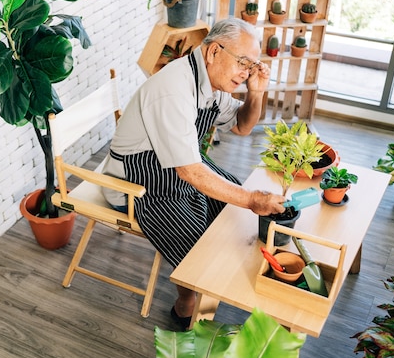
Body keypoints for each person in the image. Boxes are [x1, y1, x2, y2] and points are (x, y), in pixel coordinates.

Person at [101, 17, 286, 329]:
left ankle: (221, 277)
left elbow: (242, 126)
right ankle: (186, 302)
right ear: (214, 52)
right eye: (244, 62)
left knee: (231, 196)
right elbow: (190, 172)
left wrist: (256, 92)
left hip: (174, 167)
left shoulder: (210, 82)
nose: (247, 72)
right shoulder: (173, 89)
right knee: (197, 236)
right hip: (136, 181)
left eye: (253, 65)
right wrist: (253, 200)